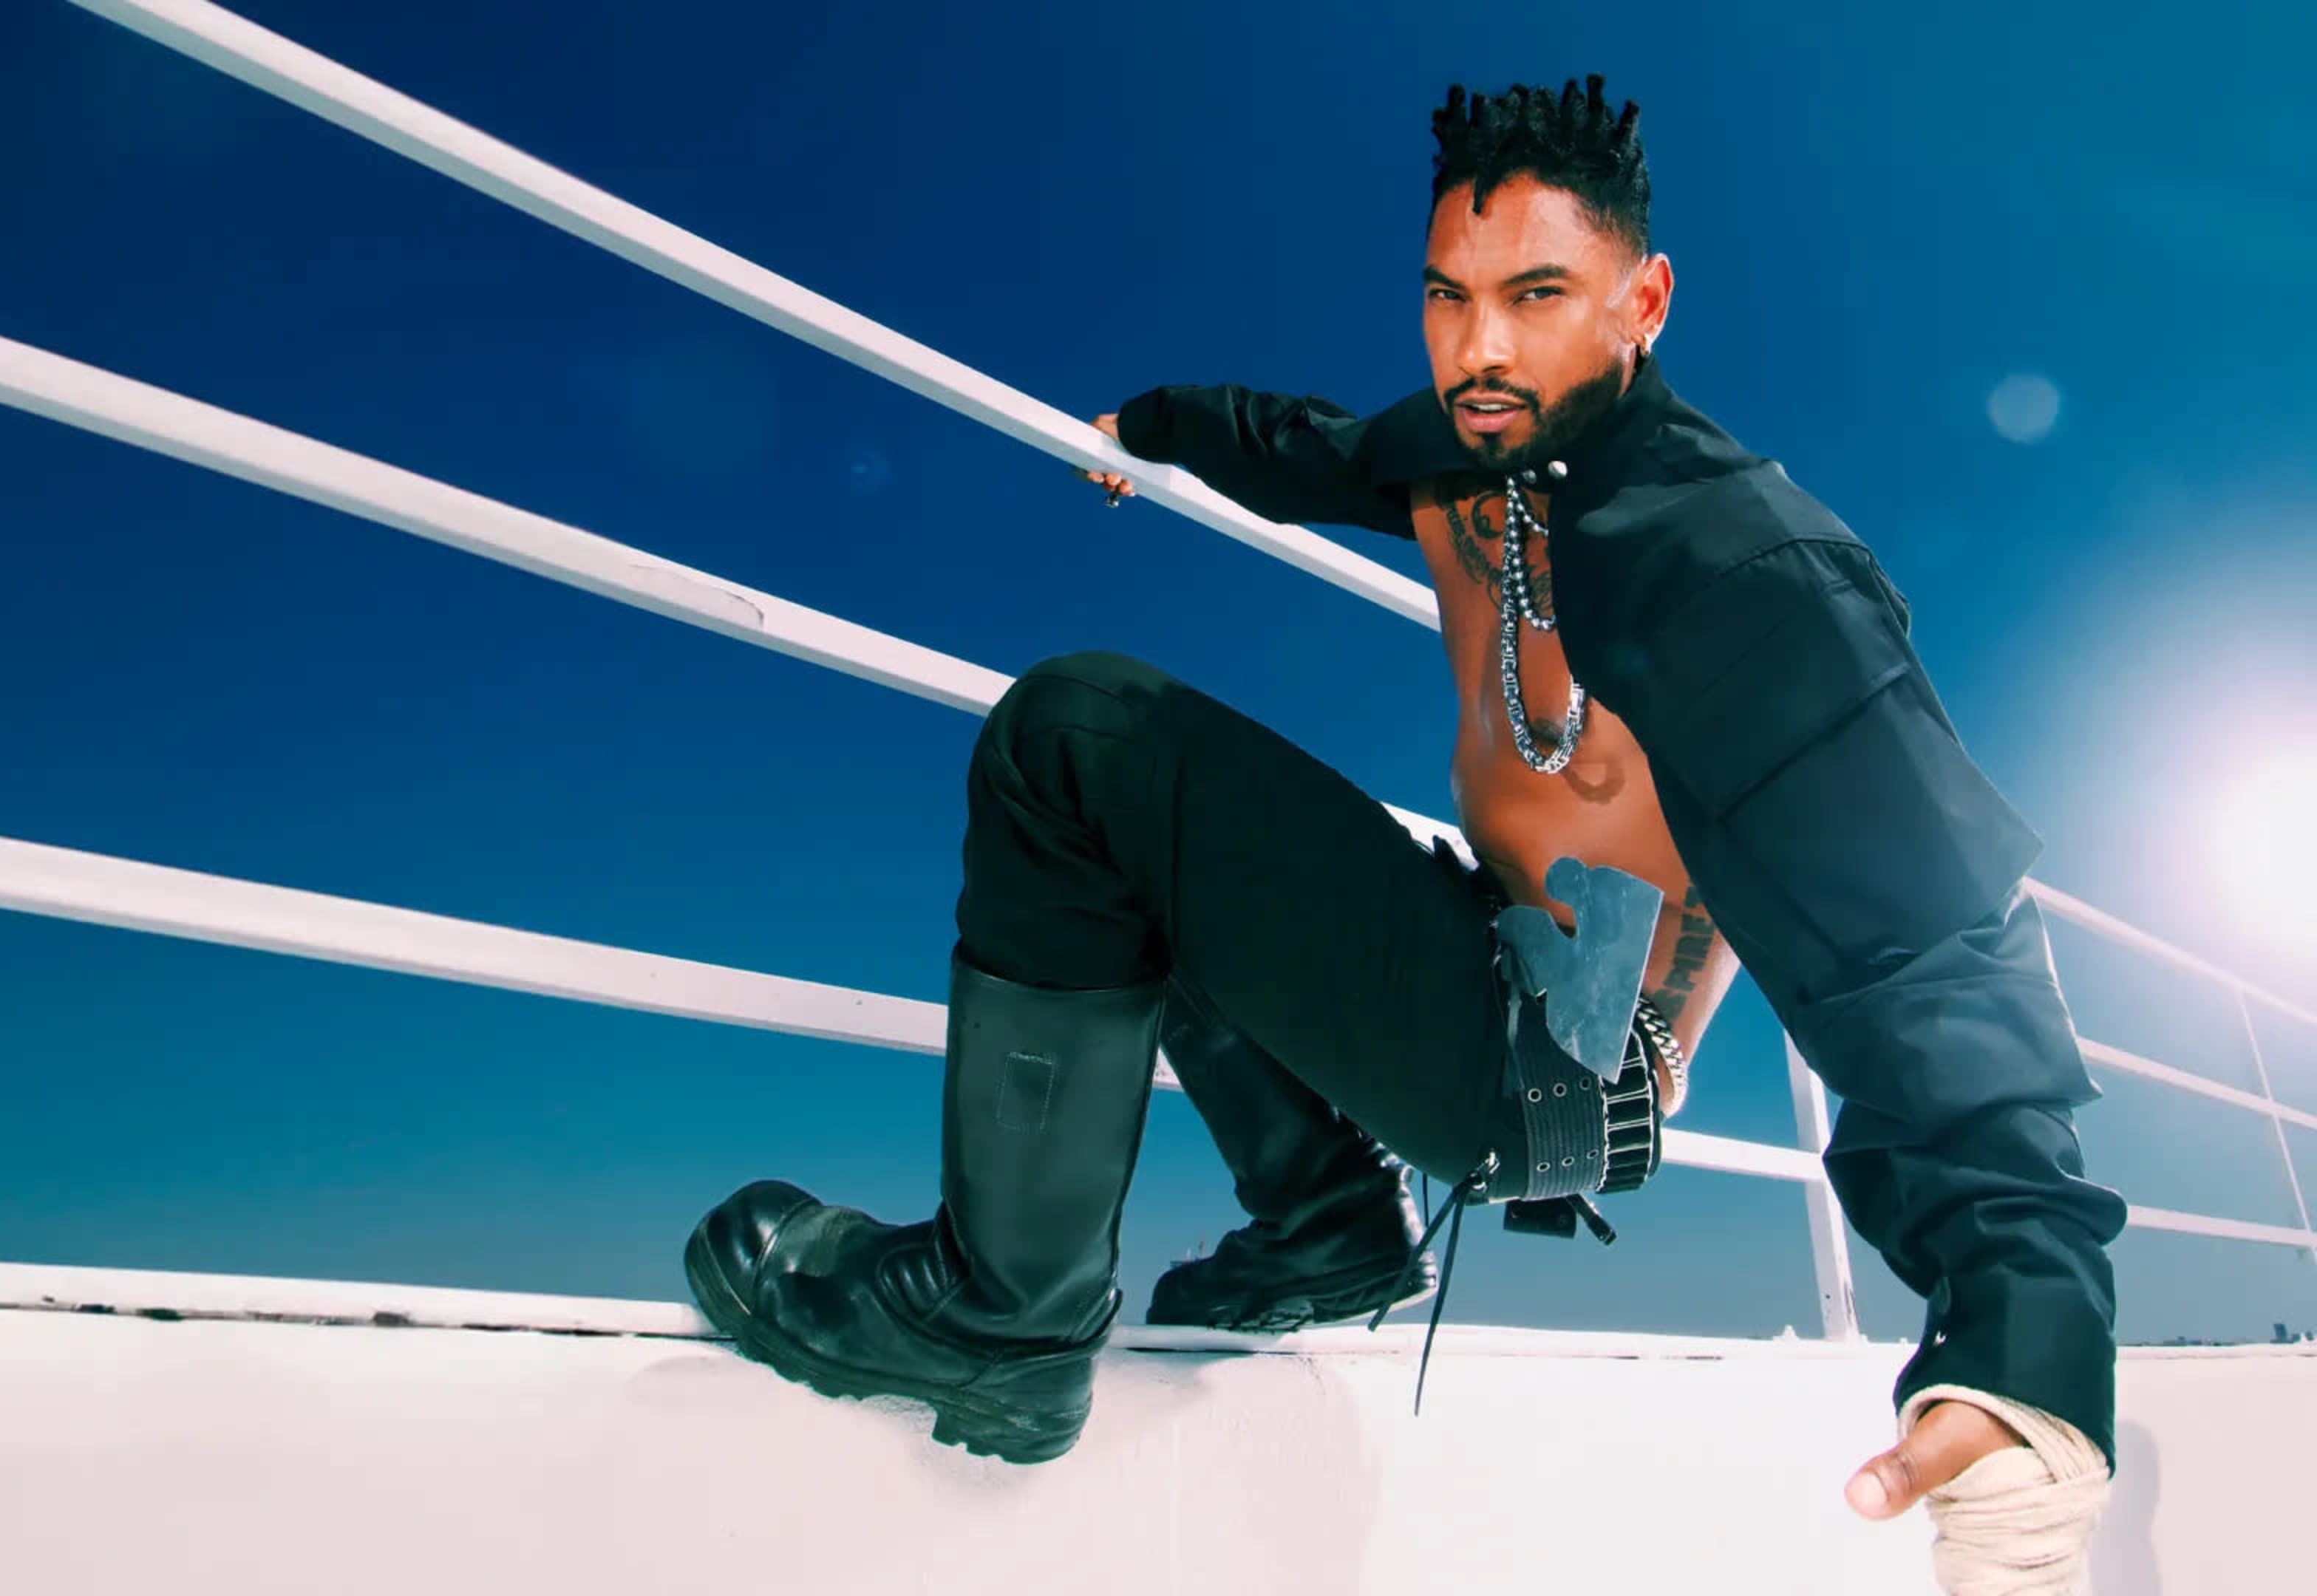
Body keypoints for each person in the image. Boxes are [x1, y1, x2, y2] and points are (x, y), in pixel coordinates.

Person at [683, 76, 2123, 1590]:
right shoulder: (1464, 442)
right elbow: (1304, 446)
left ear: (1645, 299)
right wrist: (1151, 428)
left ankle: (997, 1323)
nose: (1481, 347)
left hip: (1566, 1072)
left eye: (1539, 295)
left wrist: (2024, 1343)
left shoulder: (1743, 567)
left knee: (1078, 738)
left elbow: (1931, 950)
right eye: (1449, 297)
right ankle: (1324, 1229)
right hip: (1480, 973)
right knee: (1151, 837)